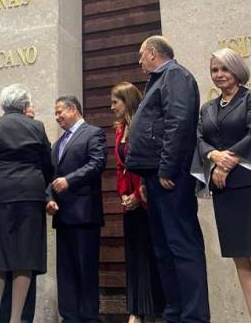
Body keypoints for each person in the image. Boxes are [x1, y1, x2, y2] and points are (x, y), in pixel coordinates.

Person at [191, 48, 251, 323]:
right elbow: (198, 138)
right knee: (240, 257)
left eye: (224, 69)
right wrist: (213, 156)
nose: (219, 75)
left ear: (237, 70)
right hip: (224, 188)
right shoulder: (208, 108)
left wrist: (225, 160)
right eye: (214, 70)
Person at [125, 35, 210, 323]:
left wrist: (166, 169)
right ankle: (174, 313)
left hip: (170, 177)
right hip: (155, 177)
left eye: (140, 55)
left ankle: (194, 317)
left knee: (182, 245)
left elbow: (179, 123)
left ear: (151, 53)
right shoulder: (159, 80)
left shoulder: (175, 76)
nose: (139, 61)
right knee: (163, 248)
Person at [0, 84, 53, 323]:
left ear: (4, 104)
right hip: (30, 195)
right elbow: (48, 164)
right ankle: (17, 318)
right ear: (24, 104)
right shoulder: (37, 127)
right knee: (25, 256)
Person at [45, 95, 106, 323]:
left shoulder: (93, 133)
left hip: (85, 214)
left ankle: (89, 317)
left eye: (60, 111)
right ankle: (69, 316)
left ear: (73, 109)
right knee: (66, 270)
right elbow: (50, 177)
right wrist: (49, 198)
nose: (57, 117)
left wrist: (70, 180)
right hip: (62, 215)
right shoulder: (57, 144)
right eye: (56, 113)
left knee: (86, 268)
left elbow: (97, 163)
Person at [111, 82, 164, 323]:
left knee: (153, 255)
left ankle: (157, 310)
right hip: (130, 205)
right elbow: (121, 168)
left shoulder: (142, 126)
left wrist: (136, 195)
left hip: (146, 201)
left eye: (116, 102)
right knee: (134, 257)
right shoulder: (119, 130)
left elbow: (147, 163)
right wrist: (124, 194)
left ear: (128, 101)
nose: (112, 107)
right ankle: (136, 310)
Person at [0, 102, 39, 323]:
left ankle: (23, 319)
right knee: (4, 266)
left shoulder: (39, 135)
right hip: (4, 208)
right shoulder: (0, 134)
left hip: (30, 208)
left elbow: (47, 169)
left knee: (26, 266)